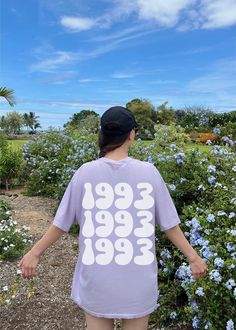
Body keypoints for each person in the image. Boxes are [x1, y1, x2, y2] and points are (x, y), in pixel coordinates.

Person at [18, 106, 208, 330]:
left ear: (103, 135)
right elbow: (170, 225)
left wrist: (34, 253)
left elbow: (61, 224)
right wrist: (194, 258)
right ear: (132, 135)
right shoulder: (149, 172)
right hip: (139, 282)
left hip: (97, 280)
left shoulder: (84, 173)